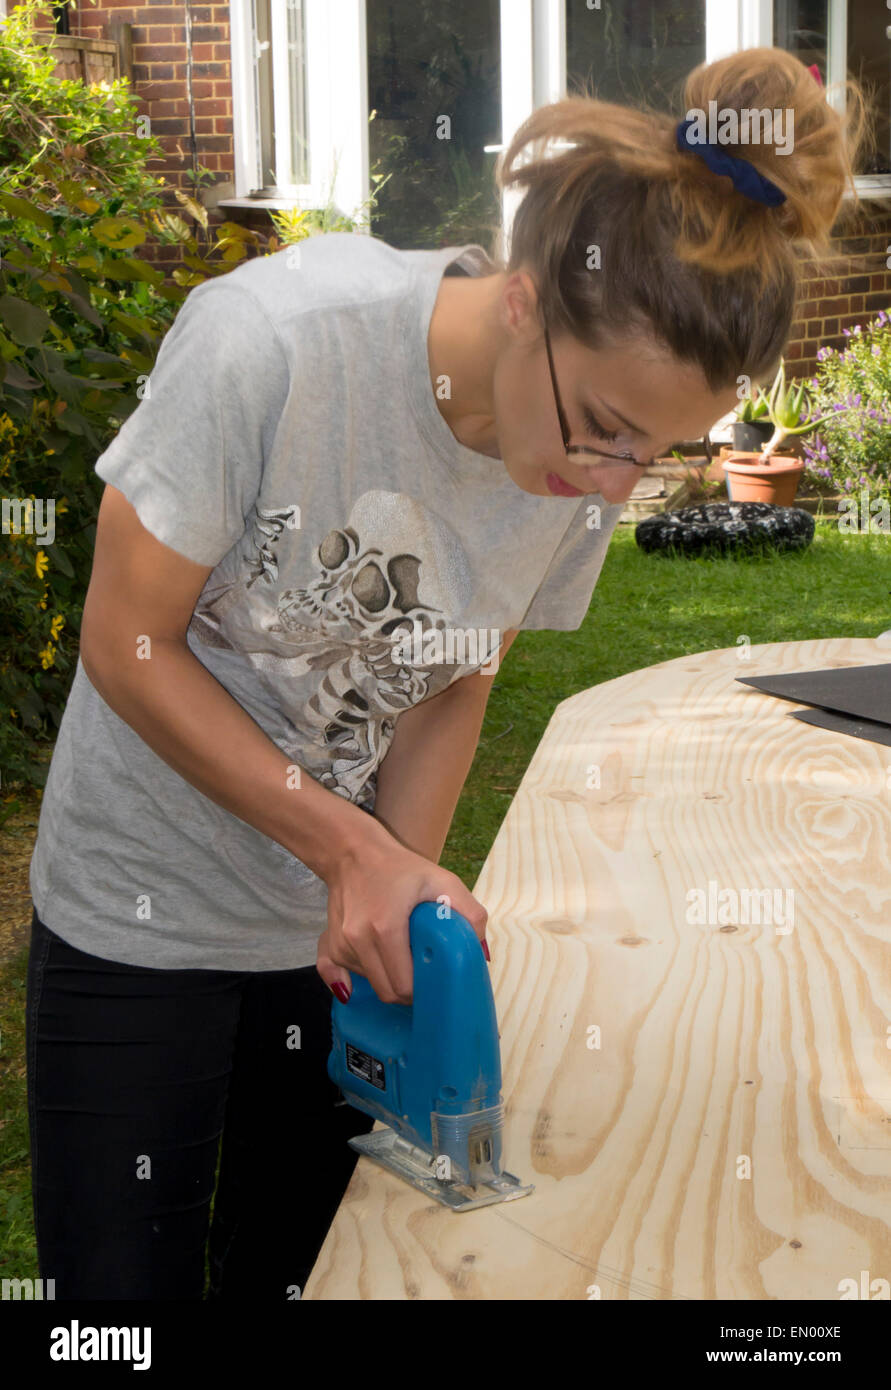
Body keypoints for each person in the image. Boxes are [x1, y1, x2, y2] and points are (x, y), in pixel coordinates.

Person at [25, 46, 866, 1300]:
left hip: (312, 941)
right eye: (605, 433)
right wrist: (349, 850)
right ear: (526, 299)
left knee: (307, 1268)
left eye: (658, 456)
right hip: (133, 919)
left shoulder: (578, 480)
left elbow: (460, 675)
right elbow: (125, 640)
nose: (612, 491)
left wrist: (390, 892)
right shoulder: (277, 343)